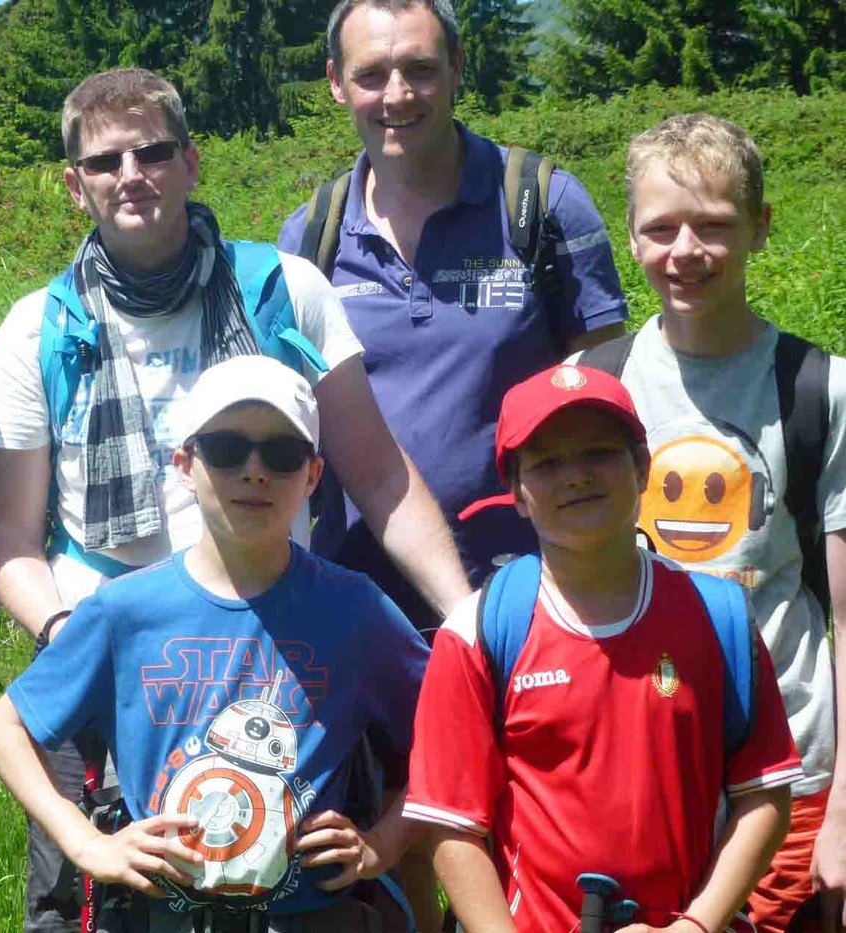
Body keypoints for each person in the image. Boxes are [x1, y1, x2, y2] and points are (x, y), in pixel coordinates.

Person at [0, 67, 467, 932]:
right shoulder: (36, 329)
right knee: (92, 907)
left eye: (153, 152)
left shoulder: (284, 290)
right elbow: (11, 536)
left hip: (286, 658)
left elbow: (377, 472)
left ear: (192, 161)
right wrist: (81, 641)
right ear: (74, 183)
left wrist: (464, 615)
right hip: (106, 665)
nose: (132, 174)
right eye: (105, 161)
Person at [0, 354, 431, 932]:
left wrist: (387, 843)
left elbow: (451, 730)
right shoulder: (124, 611)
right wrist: (83, 840)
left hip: (310, 917)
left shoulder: (356, 610)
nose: (254, 471)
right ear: (185, 465)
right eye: (226, 449)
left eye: (282, 453)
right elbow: (5, 728)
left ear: (313, 475)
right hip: (157, 916)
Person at [404, 364, 802, 932]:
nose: (576, 477)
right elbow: (451, 827)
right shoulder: (476, 632)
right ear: (517, 492)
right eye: (547, 464)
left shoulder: (720, 617)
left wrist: (694, 926)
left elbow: (763, 797)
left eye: (599, 453)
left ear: (642, 467)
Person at [572, 113, 846, 933]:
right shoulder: (593, 384)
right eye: (661, 228)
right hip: (640, 774)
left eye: (714, 225)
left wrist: (844, 808)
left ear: (761, 226)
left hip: (790, 772)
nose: (684, 251)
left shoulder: (819, 390)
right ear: (631, 235)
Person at [277, 0, 628, 631]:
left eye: (420, 68)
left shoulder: (542, 205)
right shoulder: (310, 239)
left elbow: (607, 388)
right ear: (336, 82)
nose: (397, 94)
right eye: (371, 75)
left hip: (534, 592)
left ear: (458, 66)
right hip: (358, 604)